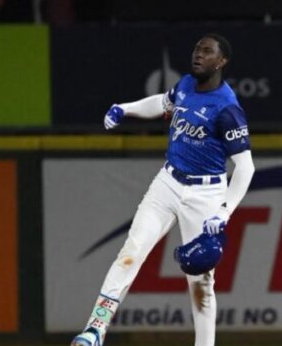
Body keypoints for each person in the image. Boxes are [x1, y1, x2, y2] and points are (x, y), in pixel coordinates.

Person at [72, 33, 255, 346]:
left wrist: (224, 212)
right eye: (197, 48)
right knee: (131, 252)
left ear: (221, 62)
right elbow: (161, 102)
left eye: (208, 51)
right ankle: (95, 329)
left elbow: (246, 167)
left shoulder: (226, 109)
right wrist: (124, 108)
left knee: (201, 284)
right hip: (168, 183)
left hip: (206, 194)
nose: (199, 54)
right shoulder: (185, 85)